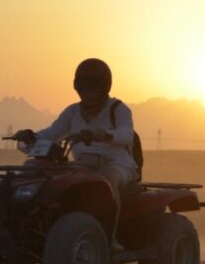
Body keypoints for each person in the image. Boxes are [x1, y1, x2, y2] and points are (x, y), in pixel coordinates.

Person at [15, 58, 138, 247]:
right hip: (83, 166)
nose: (88, 90)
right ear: (77, 86)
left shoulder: (118, 109)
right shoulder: (72, 112)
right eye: (84, 85)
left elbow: (126, 135)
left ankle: (108, 239)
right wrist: (30, 137)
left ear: (104, 86)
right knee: (48, 182)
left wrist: (102, 135)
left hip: (118, 165)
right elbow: (52, 133)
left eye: (93, 85)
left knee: (106, 182)